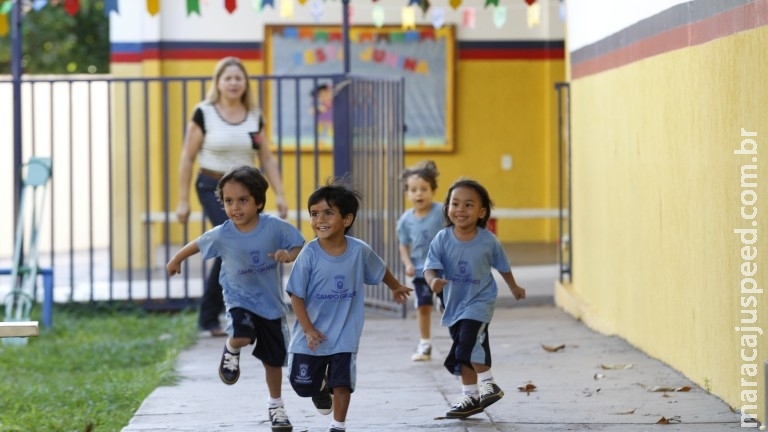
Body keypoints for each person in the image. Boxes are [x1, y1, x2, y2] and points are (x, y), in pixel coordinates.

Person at [167, 166, 304, 432]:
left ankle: (276, 407)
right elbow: (196, 243)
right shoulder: (223, 233)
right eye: (228, 201)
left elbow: (298, 242)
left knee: (273, 362)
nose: (235, 207)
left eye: (242, 200)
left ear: (258, 202)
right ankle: (232, 348)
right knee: (242, 334)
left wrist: (289, 255)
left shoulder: (274, 227)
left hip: (271, 307)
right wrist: (176, 259)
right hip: (239, 299)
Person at [285, 178, 412, 432]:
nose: (319, 219)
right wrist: (308, 329)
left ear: (347, 219)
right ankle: (319, 388)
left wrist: (395, 286)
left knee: (342, 384)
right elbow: (295, 295)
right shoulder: (308, 254)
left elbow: (379, 268)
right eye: (314, 214)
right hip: (311, 336)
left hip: (345, 333)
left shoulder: (358, 251)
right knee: (302, 384)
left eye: (328, 213)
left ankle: (338, 426)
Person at [175, 56, 289, 337]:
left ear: (245, 83)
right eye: (228, 78)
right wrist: (182, 199)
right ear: (219, 82)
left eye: (239, 78)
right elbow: (187, 157)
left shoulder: (254, 115)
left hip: (247, 193)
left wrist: (281, 193)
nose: (234, 83)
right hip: (213, 188)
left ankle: (239, 311)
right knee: (231, 243)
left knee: (239, 247)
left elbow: (267, 158)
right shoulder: (204, 113)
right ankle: (212, 315)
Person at [423, 178, 526, 419]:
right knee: (466, 349)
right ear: (447, 207)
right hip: (454, 304)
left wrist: (513, 286)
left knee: (468, 342)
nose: (460, 210)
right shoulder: (442, 238)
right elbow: (429, 267)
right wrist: (432, 282)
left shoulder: (488, 240)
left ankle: (489, 384)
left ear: (481, 212)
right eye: (455, 204)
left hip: (480, 301)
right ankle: (470, 396)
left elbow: (503, 266)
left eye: (468, 205)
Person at [395, 160, 445, 362]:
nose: (418, 194)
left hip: (443, 270)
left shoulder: (442, 212)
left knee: (450, 305)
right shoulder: (405, 220)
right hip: (419, 271)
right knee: (423, 306)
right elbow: (403, 245)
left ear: (432, 190)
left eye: (423, 189)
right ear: (407, 194)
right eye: (413, 190)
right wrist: (407, 264)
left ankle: (461, 341)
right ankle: (425, 344)